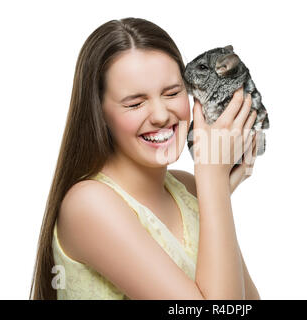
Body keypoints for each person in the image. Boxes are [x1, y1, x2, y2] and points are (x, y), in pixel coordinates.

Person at [29, 17, 260, 300]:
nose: (161, 115)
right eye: (135, 103)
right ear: (100, 114)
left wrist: (215, 191)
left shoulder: (189, 187)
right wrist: (212, 179)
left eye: (172, 93)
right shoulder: (88, 204)